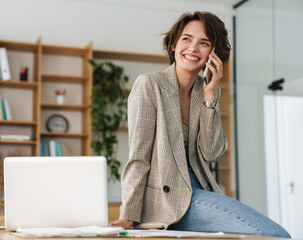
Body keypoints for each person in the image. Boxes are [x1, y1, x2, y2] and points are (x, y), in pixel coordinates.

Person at [110, 11, 291, 238]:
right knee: (274, 234)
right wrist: (128, 215)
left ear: (213, 54)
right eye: (186, 39)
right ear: (174, 44)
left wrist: (209, 96)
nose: (193, 48)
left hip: (198, 188)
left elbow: (211, 151)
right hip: (167, 198)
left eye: (203, 43)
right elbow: (139, 156)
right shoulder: (149, 85)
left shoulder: (204, 92)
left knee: (269, 233)